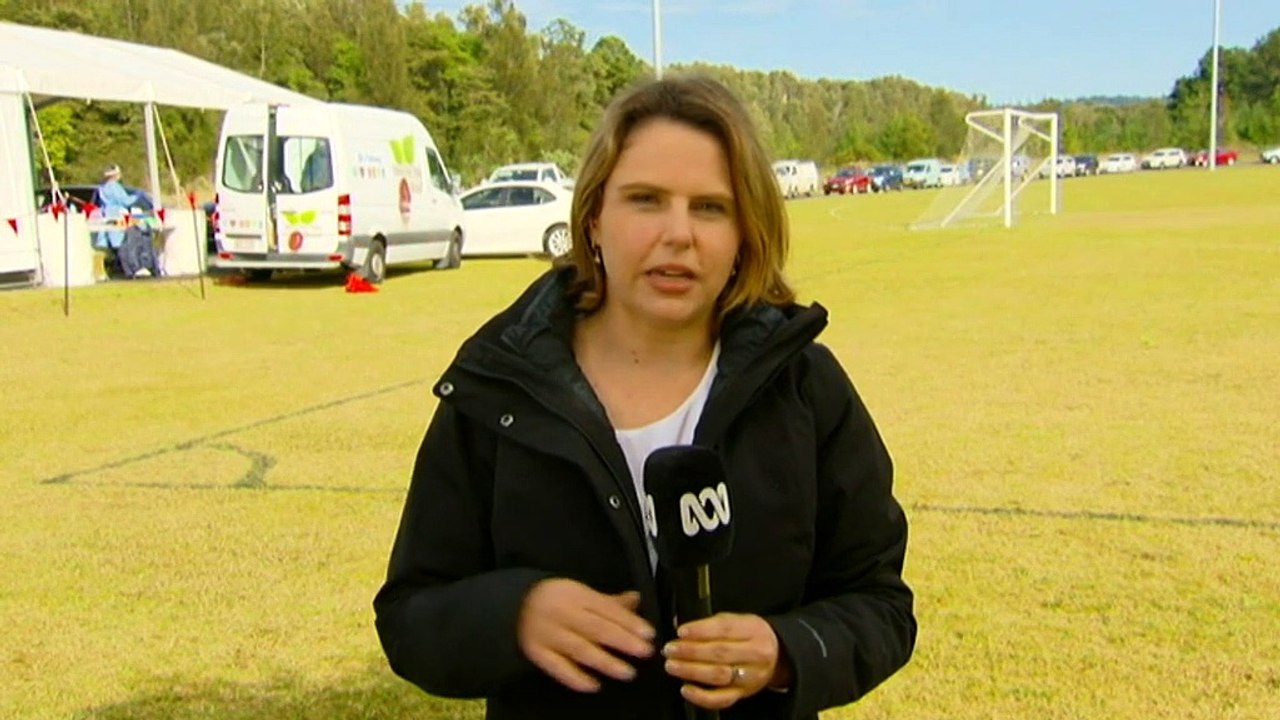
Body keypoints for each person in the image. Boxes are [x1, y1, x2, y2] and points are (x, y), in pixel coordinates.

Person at [373, 75, 916, 720]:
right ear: (594, 218)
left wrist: (786, 651)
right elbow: (410, 614)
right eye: (646, 200)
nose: (678, 233)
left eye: (710, 207)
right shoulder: (501, 388)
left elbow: (881, 604)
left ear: (745, 233)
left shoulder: (804, 386)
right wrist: (515, 614)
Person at [94, 164, 139, 252]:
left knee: (106, 244)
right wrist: (137, 196)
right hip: (117, 215)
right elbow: (126, 201)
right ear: (115, 175)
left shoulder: (102, 187)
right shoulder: (115, 187)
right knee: (118, 243)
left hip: (106, 215)